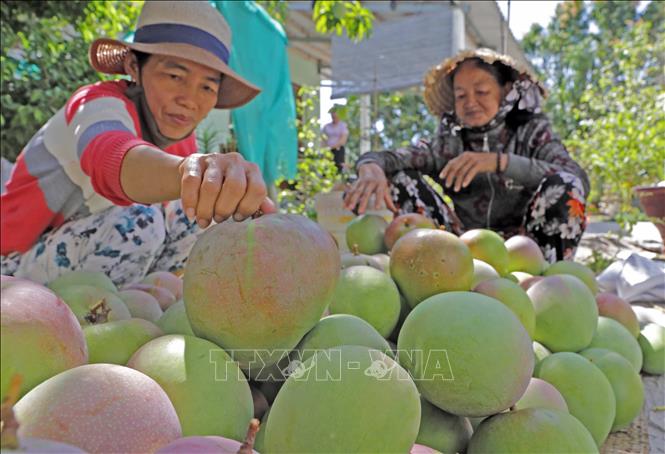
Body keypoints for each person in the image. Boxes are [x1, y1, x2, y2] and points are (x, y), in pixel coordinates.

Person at [0, 1, 276, 286]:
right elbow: (116, 158)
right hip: (12, 267)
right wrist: (192, 173)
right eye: (175, 76)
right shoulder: (97, 106)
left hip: (84, 269)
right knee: (140, 220)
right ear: (134, 67)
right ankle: (80, 321)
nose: (189, 99)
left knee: (201, 216)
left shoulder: (180, 140)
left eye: (207, 87)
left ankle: (135, 308)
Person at [344, 48, 590, 262]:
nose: (470, 102)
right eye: (461, 95)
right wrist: (370, 167)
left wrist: (499, 162)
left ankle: (548, 275)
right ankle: (425, 270)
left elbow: (576, 176)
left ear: (505, 91)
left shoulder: (532, 133)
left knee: (565, 183)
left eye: (481, 91)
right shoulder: (447, 145)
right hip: (462, 250)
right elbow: (392, 157)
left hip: (528, 250)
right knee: (399, 178)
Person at [322, 106, 349, 174]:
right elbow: (323, 139)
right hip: (327, 151)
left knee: (338, 167)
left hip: (338, 150)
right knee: (326, 168)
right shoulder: (327, 126)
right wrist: (324, 148)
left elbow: (343, 140)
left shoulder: (342, 126)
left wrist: (332, 147)